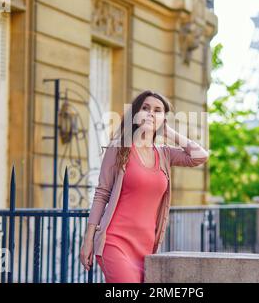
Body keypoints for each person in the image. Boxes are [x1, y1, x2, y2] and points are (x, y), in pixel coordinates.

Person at [80, 90, 209, 282]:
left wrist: (168, 132)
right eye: (145, 108)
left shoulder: (165, 154)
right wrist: (88, 239)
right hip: (115, 242)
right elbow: (102, 194)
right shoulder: (119, 148)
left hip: (147, 249)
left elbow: (200, 156)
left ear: (163, 118)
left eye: (157, 110)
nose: (150, 113)